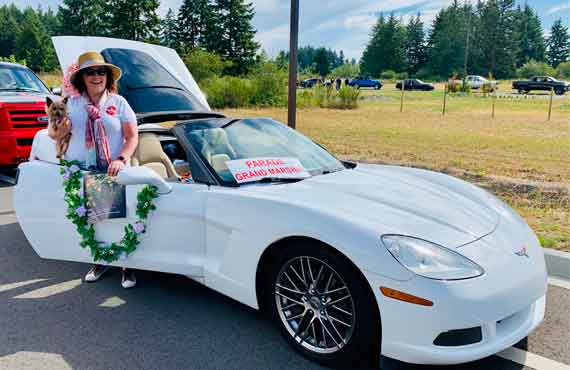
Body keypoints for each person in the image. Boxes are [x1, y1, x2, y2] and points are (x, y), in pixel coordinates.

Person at [49, 51, 139, 288]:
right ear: (82, 77)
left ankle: (127, 266)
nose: (96, 76)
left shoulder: (119, 103)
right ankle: (99, 260)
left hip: (112, 170)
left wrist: (122, 158)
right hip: (81, 171)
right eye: (90, 72)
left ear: (108, 77)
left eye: (101, 72)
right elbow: (54, 134)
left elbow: (131, 137)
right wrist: (59, 129)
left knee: (120, 219)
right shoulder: (72, 103)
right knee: (93, 220)